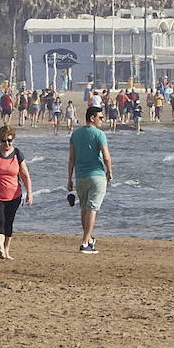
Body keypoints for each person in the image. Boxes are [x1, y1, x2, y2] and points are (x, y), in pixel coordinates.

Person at [0, 125, 32, 260]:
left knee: (9, 222)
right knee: (0, 219)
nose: (7, 143)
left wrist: (29, 193)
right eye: (4, 141)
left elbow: (25, 175)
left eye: (10, 140)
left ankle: (6, 250)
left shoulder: (18, 154)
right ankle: (0, 248)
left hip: (14, 195)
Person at [68, 107, 113, 254]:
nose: (102, 120)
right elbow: (106, 156)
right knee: (92, 209)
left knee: (84, 209)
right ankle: (85, 242)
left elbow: (71, 159)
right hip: (97, 175)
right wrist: (109, 171)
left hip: (80, 176)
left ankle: (89, 239)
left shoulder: (75, 134)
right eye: (100, 117)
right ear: (92, 118)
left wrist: (69, 178)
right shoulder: (99, 134)